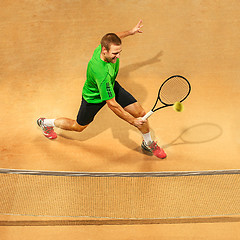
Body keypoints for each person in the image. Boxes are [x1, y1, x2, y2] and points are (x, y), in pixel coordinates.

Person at [37, 20, 166, 159]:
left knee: (140, 113)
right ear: (105, 50)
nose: (118, 56)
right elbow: (112, 104)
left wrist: (130, 32)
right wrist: (132, 121)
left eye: (120, 52)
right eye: (115, 53)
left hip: (111, 86)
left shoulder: (103, 47)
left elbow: (114, 36)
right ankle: (45, 123)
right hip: (93, 98)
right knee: (78, 127)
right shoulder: (101, 73)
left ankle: (147, 143)